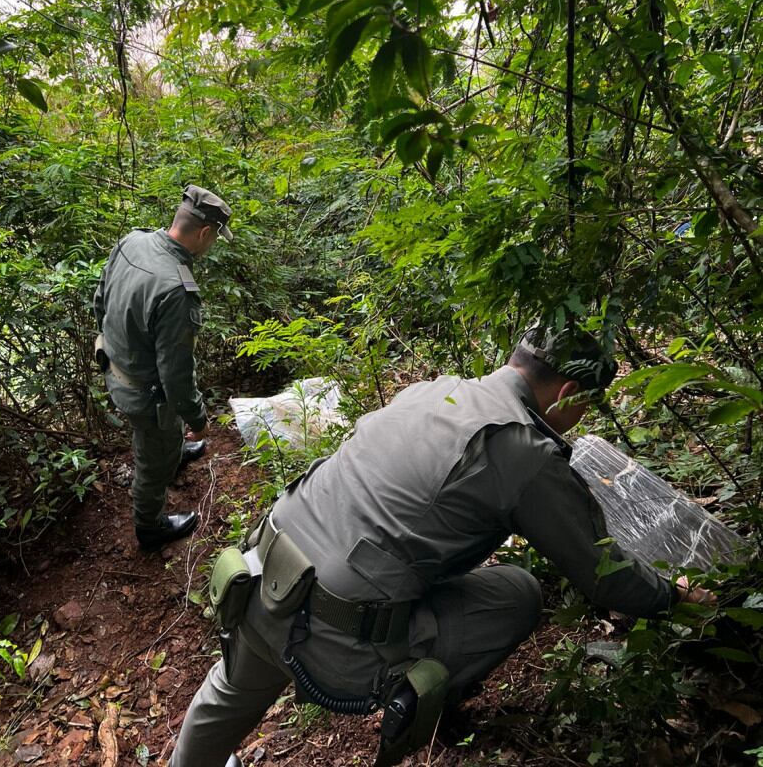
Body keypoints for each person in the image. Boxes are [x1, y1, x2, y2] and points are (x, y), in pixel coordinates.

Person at [169, 325, 715, 767]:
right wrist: (674, 597)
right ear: (568, 393)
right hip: (337, 638)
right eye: (583, 407)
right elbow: (603, 573)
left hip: (261, 578)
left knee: (232, 689)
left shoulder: (431, 390)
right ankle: (429, 702)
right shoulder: (522, 450)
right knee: (517, 592)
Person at [94, 185, 233, 551]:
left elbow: (100, 300)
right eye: (215, 238)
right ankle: (149, 527)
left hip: (114, 368)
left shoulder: (132, 241)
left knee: (163, 438)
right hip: (144, 394)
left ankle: (173, 449)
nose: (213, 244)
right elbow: (175, 376)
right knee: (151, 464)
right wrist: (198, 418)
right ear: (204, 233)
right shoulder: (177, 289)